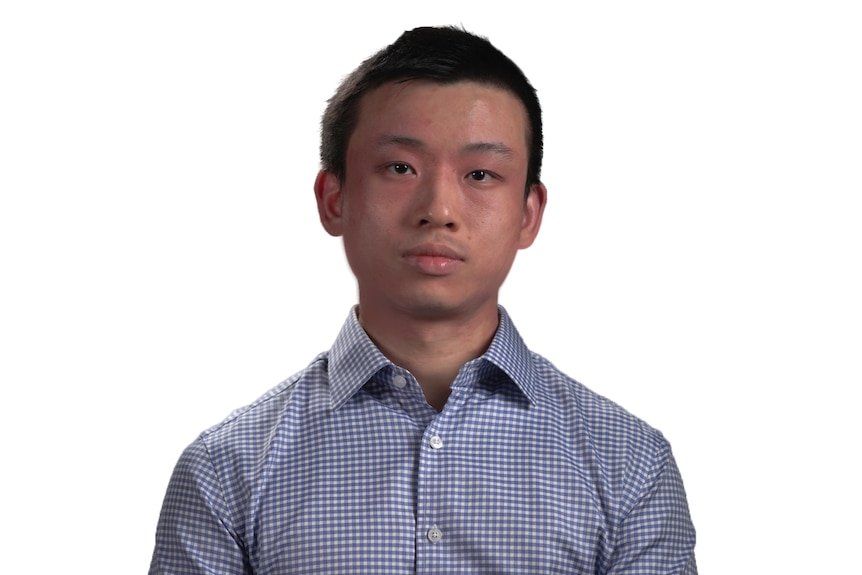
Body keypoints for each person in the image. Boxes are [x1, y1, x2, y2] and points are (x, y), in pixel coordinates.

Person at [149, 26, 697, 574]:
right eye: (400, 168)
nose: (438, 208)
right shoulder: (225, 473)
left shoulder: (629, 466)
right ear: (333, 198)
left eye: (481, 174)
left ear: (529, 213)